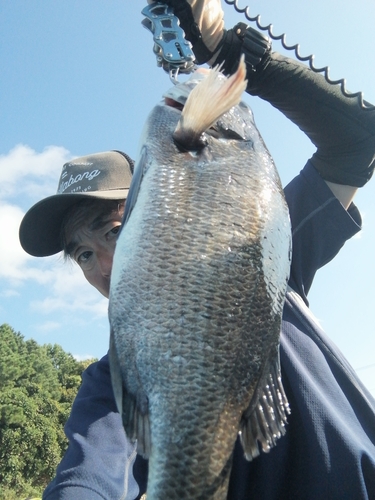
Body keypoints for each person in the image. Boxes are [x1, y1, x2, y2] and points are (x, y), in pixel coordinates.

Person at [19, 0, 375, 498]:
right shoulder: (107, 387)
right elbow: (87, 479)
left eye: (115, 232)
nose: (102, 266)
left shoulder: (262, 249)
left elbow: (357, 142)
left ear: (158, 205)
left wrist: (242, 59)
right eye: (80, 254)